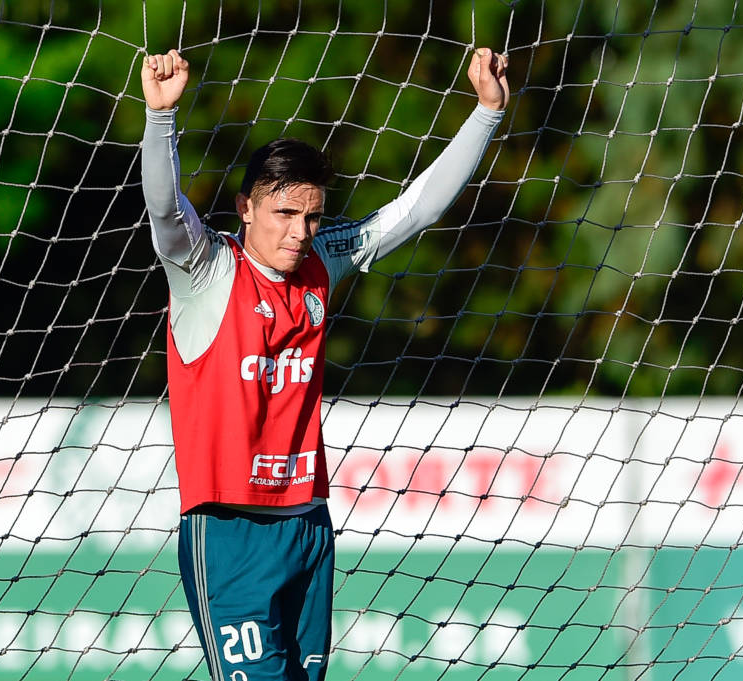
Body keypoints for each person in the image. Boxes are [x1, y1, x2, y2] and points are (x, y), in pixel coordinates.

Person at [140, 45, 508, 681]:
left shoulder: (321, 262)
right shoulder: (206, 269)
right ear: (246, 208)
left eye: (311, 217)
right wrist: (161, 117)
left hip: (309, 522)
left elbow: (413, 211)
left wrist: (487, 114)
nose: (299, 232)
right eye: (283, 213)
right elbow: (167, 211)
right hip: (229, 529)